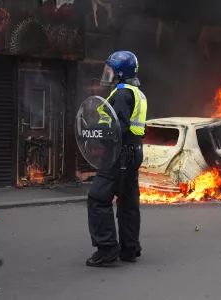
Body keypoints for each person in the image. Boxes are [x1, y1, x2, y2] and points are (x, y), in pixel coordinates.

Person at [86, 51, 147, 267]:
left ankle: (107, 249)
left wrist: (94, 128)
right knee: (128, 201)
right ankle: (130, 248)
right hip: (133, 153)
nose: (108, 73)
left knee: (98, 198)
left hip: (117, 154)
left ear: (120, 72)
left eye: (111, 69)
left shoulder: (121, 94)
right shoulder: (136, 92)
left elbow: (119, 127)